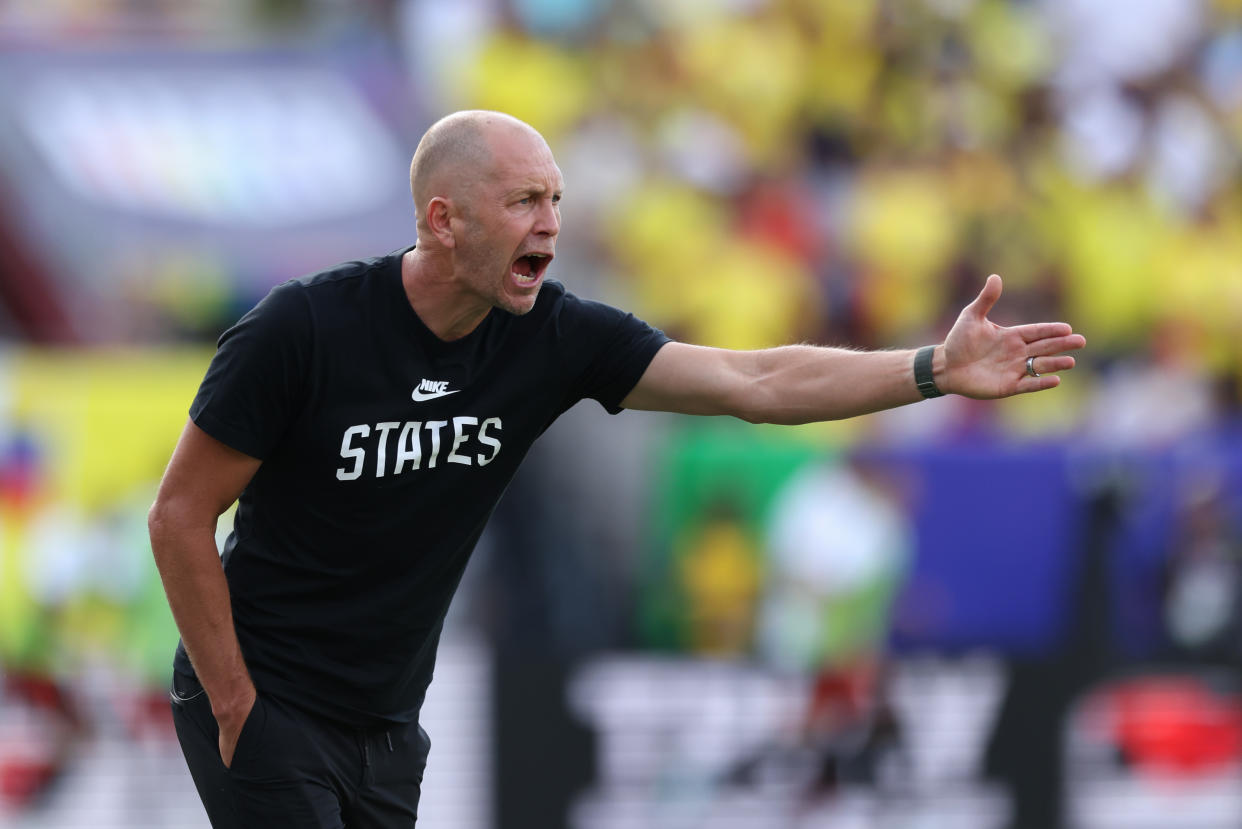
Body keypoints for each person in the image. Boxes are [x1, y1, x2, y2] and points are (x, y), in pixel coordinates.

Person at [147, 109, 1086, 828]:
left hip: (387, 721)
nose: (550, 223)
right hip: (266, 694)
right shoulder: (302, 331)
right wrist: (236, 702)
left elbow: (751, 379)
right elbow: (179, 515)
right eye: (524, 201)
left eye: (556, 199)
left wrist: (931, 369)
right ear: (443, 219)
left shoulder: (549, 335)